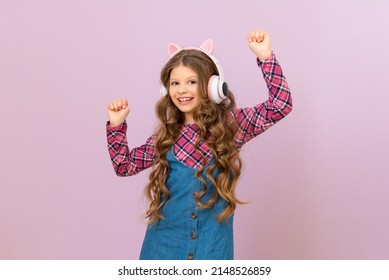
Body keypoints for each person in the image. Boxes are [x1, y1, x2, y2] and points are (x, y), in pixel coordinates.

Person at [106, 30, 292, 260]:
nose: (181, 89)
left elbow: (280, 106)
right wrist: (116, 126)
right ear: (166, 90)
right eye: (175, 83)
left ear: (213, 86)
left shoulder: (231, 126)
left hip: (213, 246)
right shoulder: (165, 136)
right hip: (162, 246)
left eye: (191, 82)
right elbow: (124, 166)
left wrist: (265, 58)